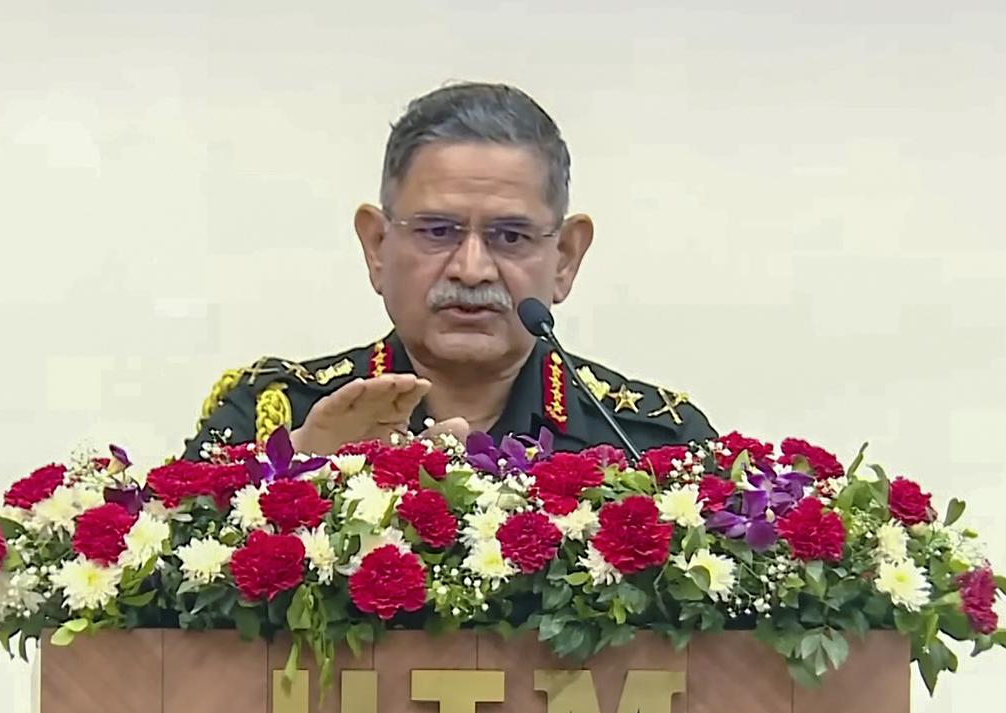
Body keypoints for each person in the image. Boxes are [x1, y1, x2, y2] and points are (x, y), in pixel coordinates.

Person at [183, 82, 716, 461]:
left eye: (510, 236)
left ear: (565, 257)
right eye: (438, 231)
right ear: (377, 246)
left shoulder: (654, 445)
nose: (472, 269)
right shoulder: (276, 418)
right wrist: (294, 471)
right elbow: (159, 566)